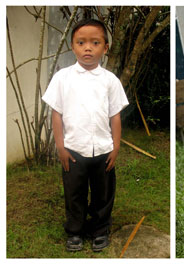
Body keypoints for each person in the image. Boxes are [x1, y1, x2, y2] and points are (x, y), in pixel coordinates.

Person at [42, 19, 129, 252]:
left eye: (95, 42)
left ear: (105, 48)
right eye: (81, 43)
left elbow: (115, 116)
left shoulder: (110, 81)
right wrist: (60, 147)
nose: (87, 48)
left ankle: (100, 229)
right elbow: (57, 114)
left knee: (103, 194)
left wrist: (116, 147)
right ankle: (75, 232)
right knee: (74, 193)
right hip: (73, 149)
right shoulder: (63, 78)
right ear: (73, 46)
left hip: (102, 150)